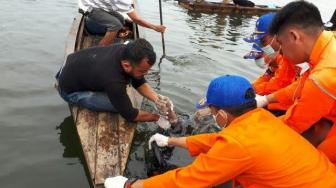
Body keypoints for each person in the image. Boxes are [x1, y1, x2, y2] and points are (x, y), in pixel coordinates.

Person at [104, 75, 336, 188]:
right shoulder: (263, 118)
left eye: (212, 110)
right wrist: (171, 141)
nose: (213, 115)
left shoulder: (238, 144)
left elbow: (188, 180)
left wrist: (129, 185)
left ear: (222, 113)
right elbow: (217, 139)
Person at [256, 1, 336, 164]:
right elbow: (299, 87)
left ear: (294, 36)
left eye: (283, 44)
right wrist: (266, 99)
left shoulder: (323, 76)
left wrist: (247, 134)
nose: (282, 52)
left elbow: (292, 124)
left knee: (317, 163)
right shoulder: (327, 45)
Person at [57, 38, 173, 124]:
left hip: (70, 66)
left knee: (131, 81)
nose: (146, 74)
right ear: (126, 65)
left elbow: (137, 79)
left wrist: (157, 99)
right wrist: (157, 118)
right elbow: (130, 115)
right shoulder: (113, 81)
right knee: (116, 105)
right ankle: (75, 96)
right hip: (68, 90)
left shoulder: (125, 49)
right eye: (143, 71)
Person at [243, 12, 297, 106]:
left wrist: (252, 91)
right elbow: (267, 78)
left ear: (278, 35)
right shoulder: (283, 54)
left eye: (263, 41)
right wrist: (249, 88)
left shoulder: (291, 56)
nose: (264, 46)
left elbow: (280, 84)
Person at [78, 0, 166, 46]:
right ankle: (100, 49)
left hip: (100, 4)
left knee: (120, 19)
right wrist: (155, 27)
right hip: (88, 6)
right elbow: (137, 20)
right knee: (115, 25)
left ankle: (110, 35)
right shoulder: (124, 1)